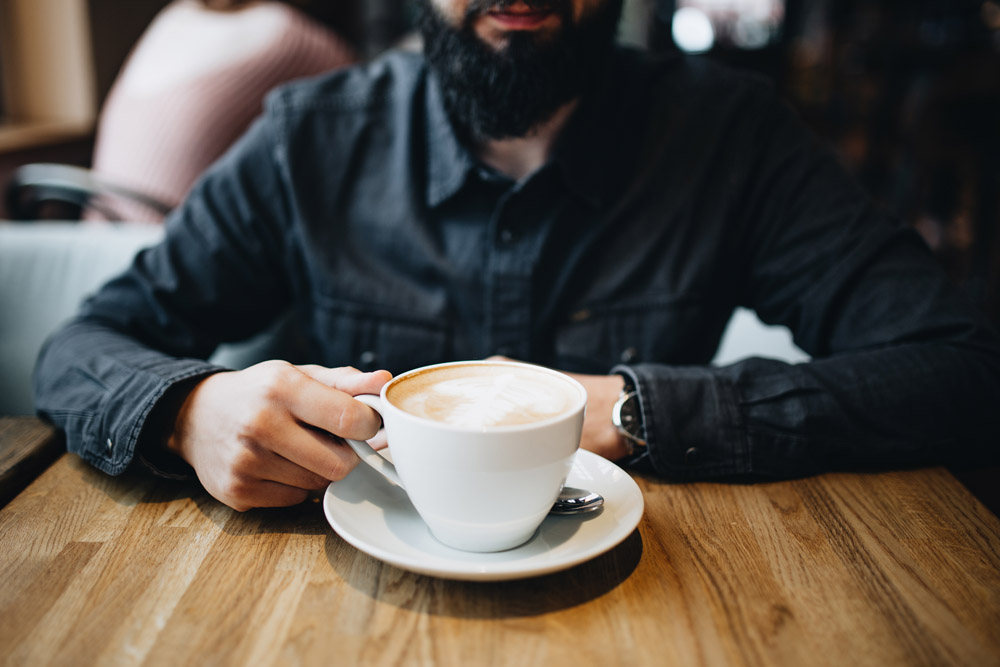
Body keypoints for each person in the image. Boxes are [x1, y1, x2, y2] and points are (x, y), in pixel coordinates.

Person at [35, 0, 1000, 511]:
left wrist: (634, 409)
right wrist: (189, 412)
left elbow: (961, 368)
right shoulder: (310, 143)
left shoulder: (732, 139)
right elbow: (83, 346)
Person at [88, 0, 357, 222]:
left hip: (90, 248)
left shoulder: (175, 17)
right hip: (170, 254)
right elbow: (367, 100)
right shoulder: (286, 36)